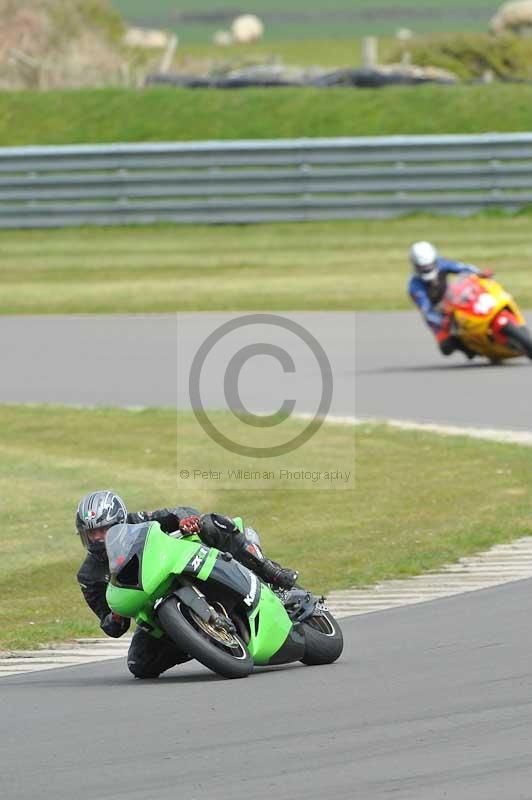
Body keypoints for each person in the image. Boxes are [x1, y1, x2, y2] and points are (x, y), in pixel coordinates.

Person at [76, 490, 298, 679]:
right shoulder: (89, 576)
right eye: (91, 533)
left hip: (181, 565)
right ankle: (196, 640)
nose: (98, 538)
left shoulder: (138, 522)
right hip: (152, 607)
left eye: (104, 530)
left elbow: (179, 511)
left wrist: (185, 520)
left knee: (209, 523)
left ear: (120, 522)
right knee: (139, 664)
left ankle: (270, 570)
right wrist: (115, 616)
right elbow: (110, 626)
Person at [408, 241, 494, 357]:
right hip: (436, 313)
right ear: (415, 265)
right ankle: (471, 349)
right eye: (422, 267)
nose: (427, 269)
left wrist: (479, 273)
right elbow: (426, 309)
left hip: (453, 298)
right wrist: (441, 321)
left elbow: (462, 267)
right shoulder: (414, 286)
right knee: (446, 346)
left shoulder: (441, 263)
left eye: (429, 265)